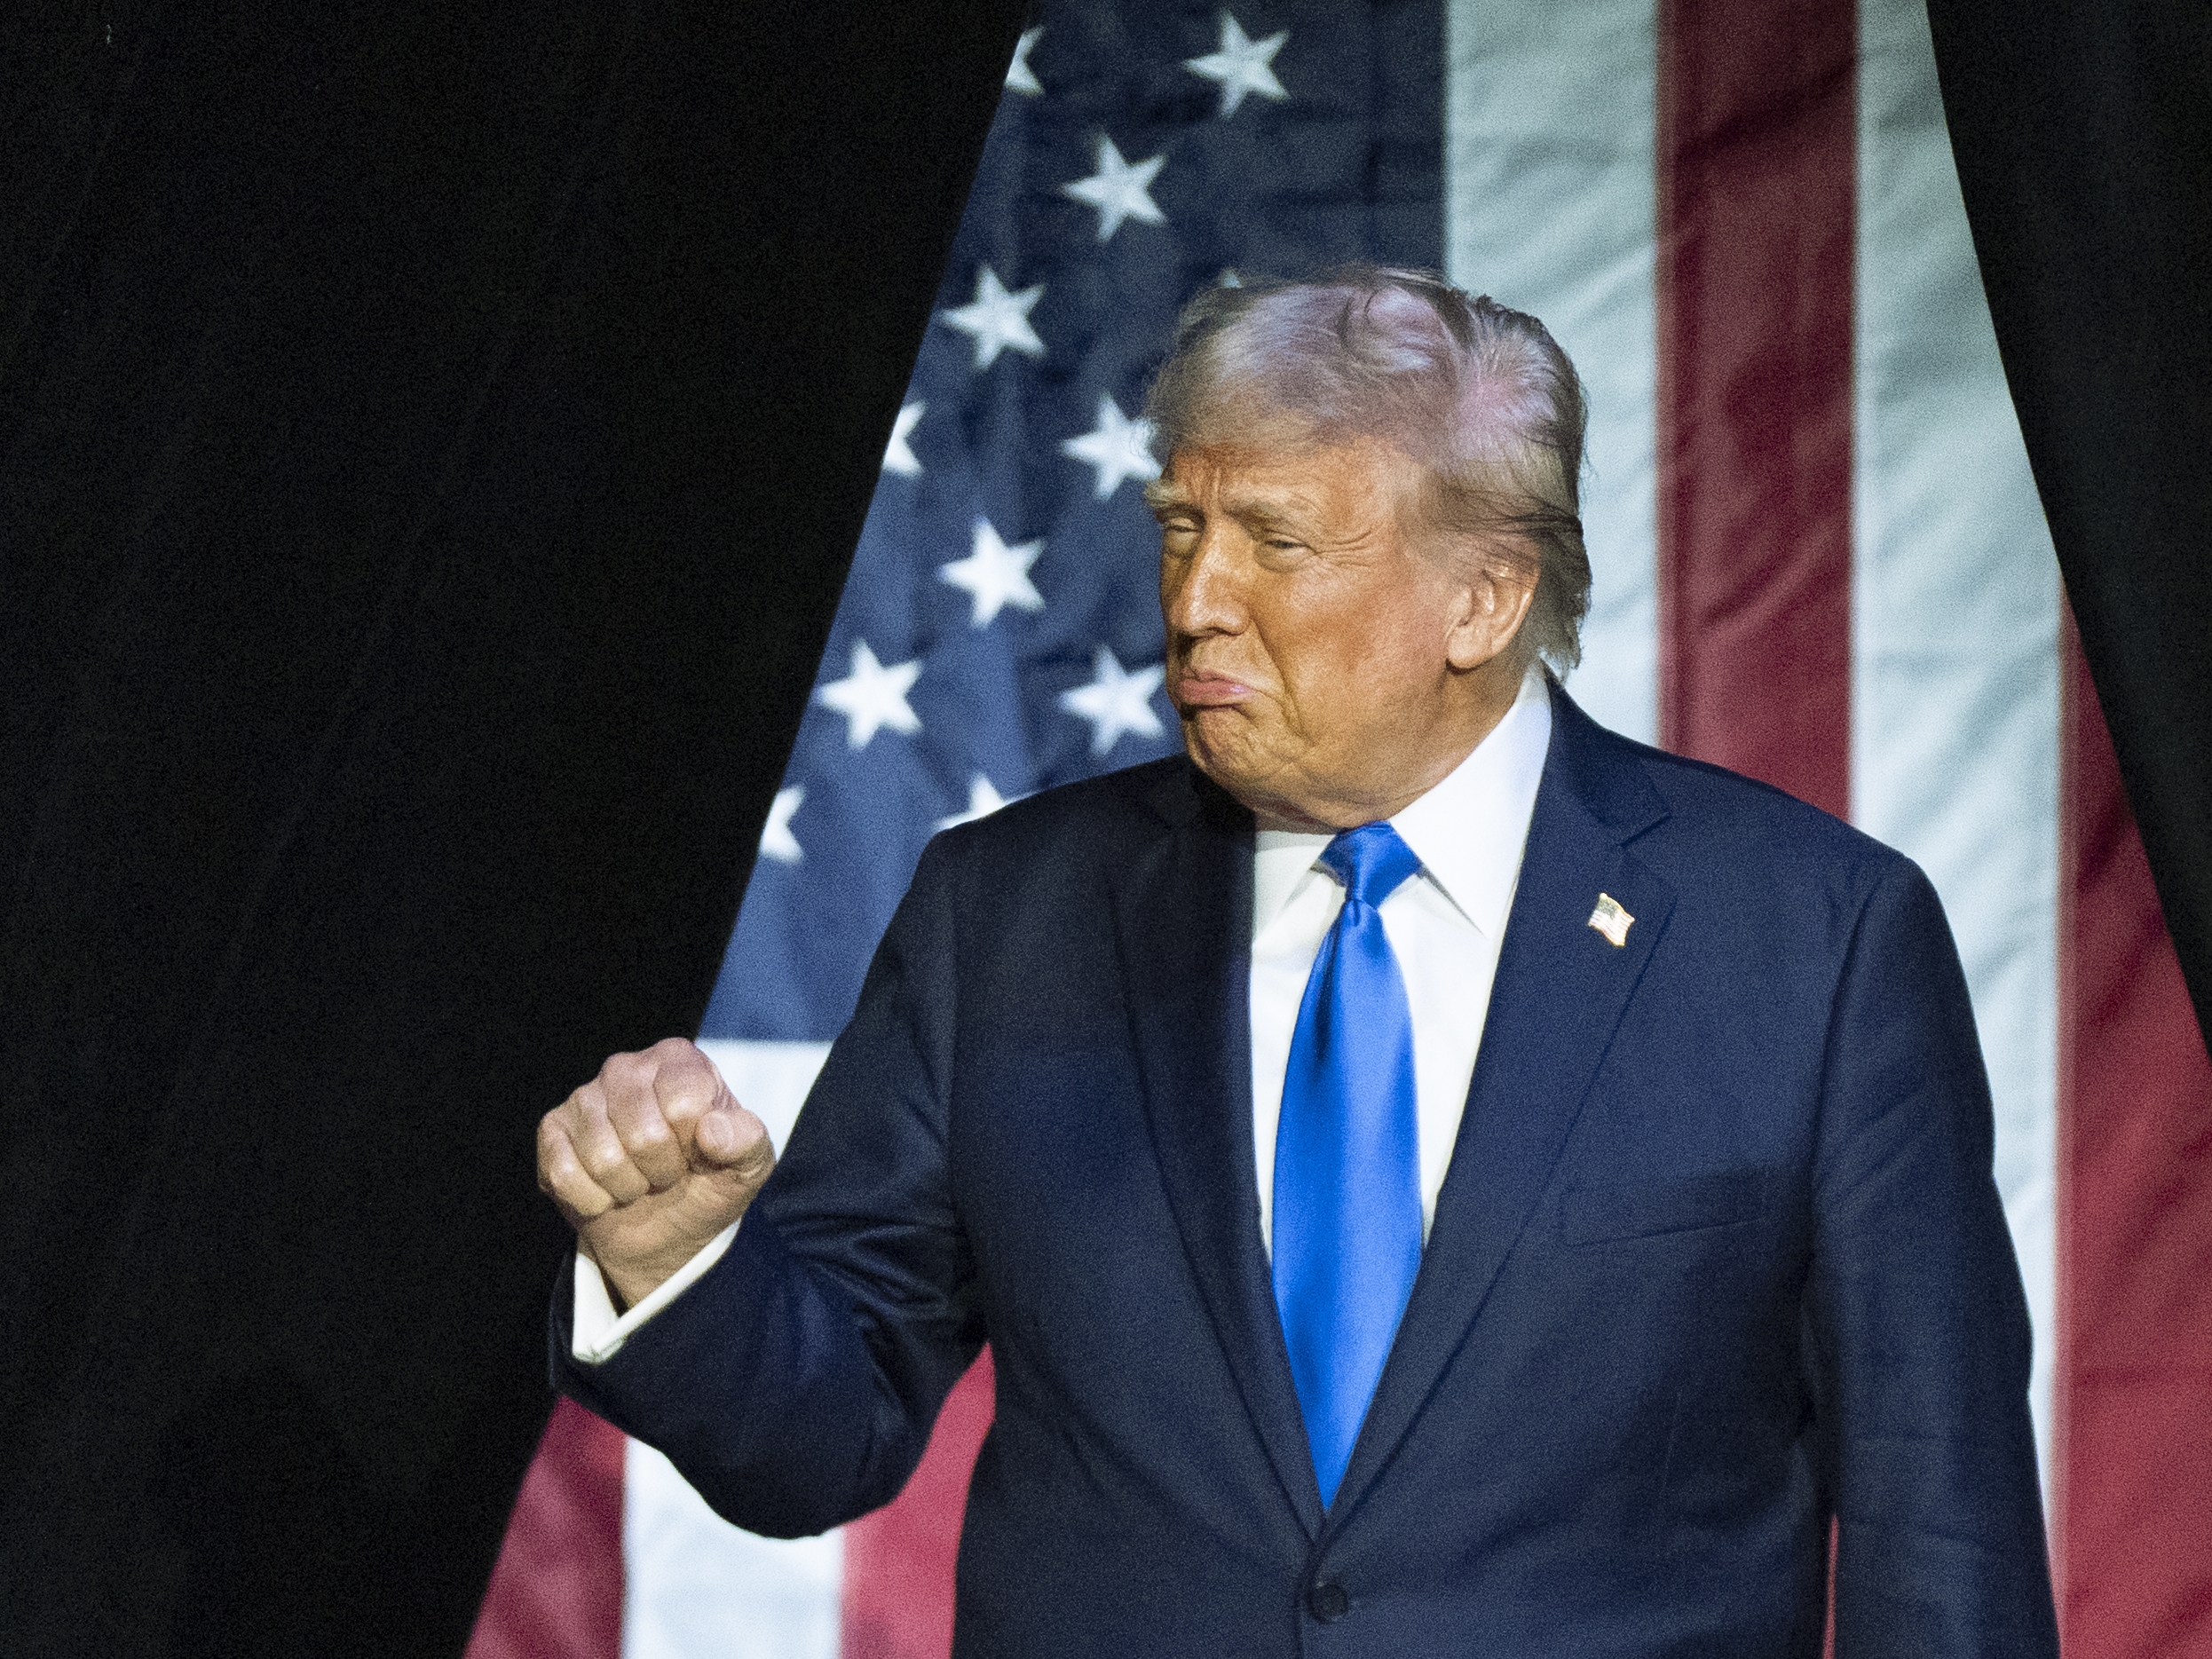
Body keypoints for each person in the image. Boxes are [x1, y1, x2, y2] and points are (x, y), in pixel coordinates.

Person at [537, 268, 2058, 1656]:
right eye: (1182, 530)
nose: (1196, 599)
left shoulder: (1813, 939)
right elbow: (827, 1433)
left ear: (1484, 595)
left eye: (1275, 540)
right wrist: (679, 1268)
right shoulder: (1004, 914)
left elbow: (1944, 1529)